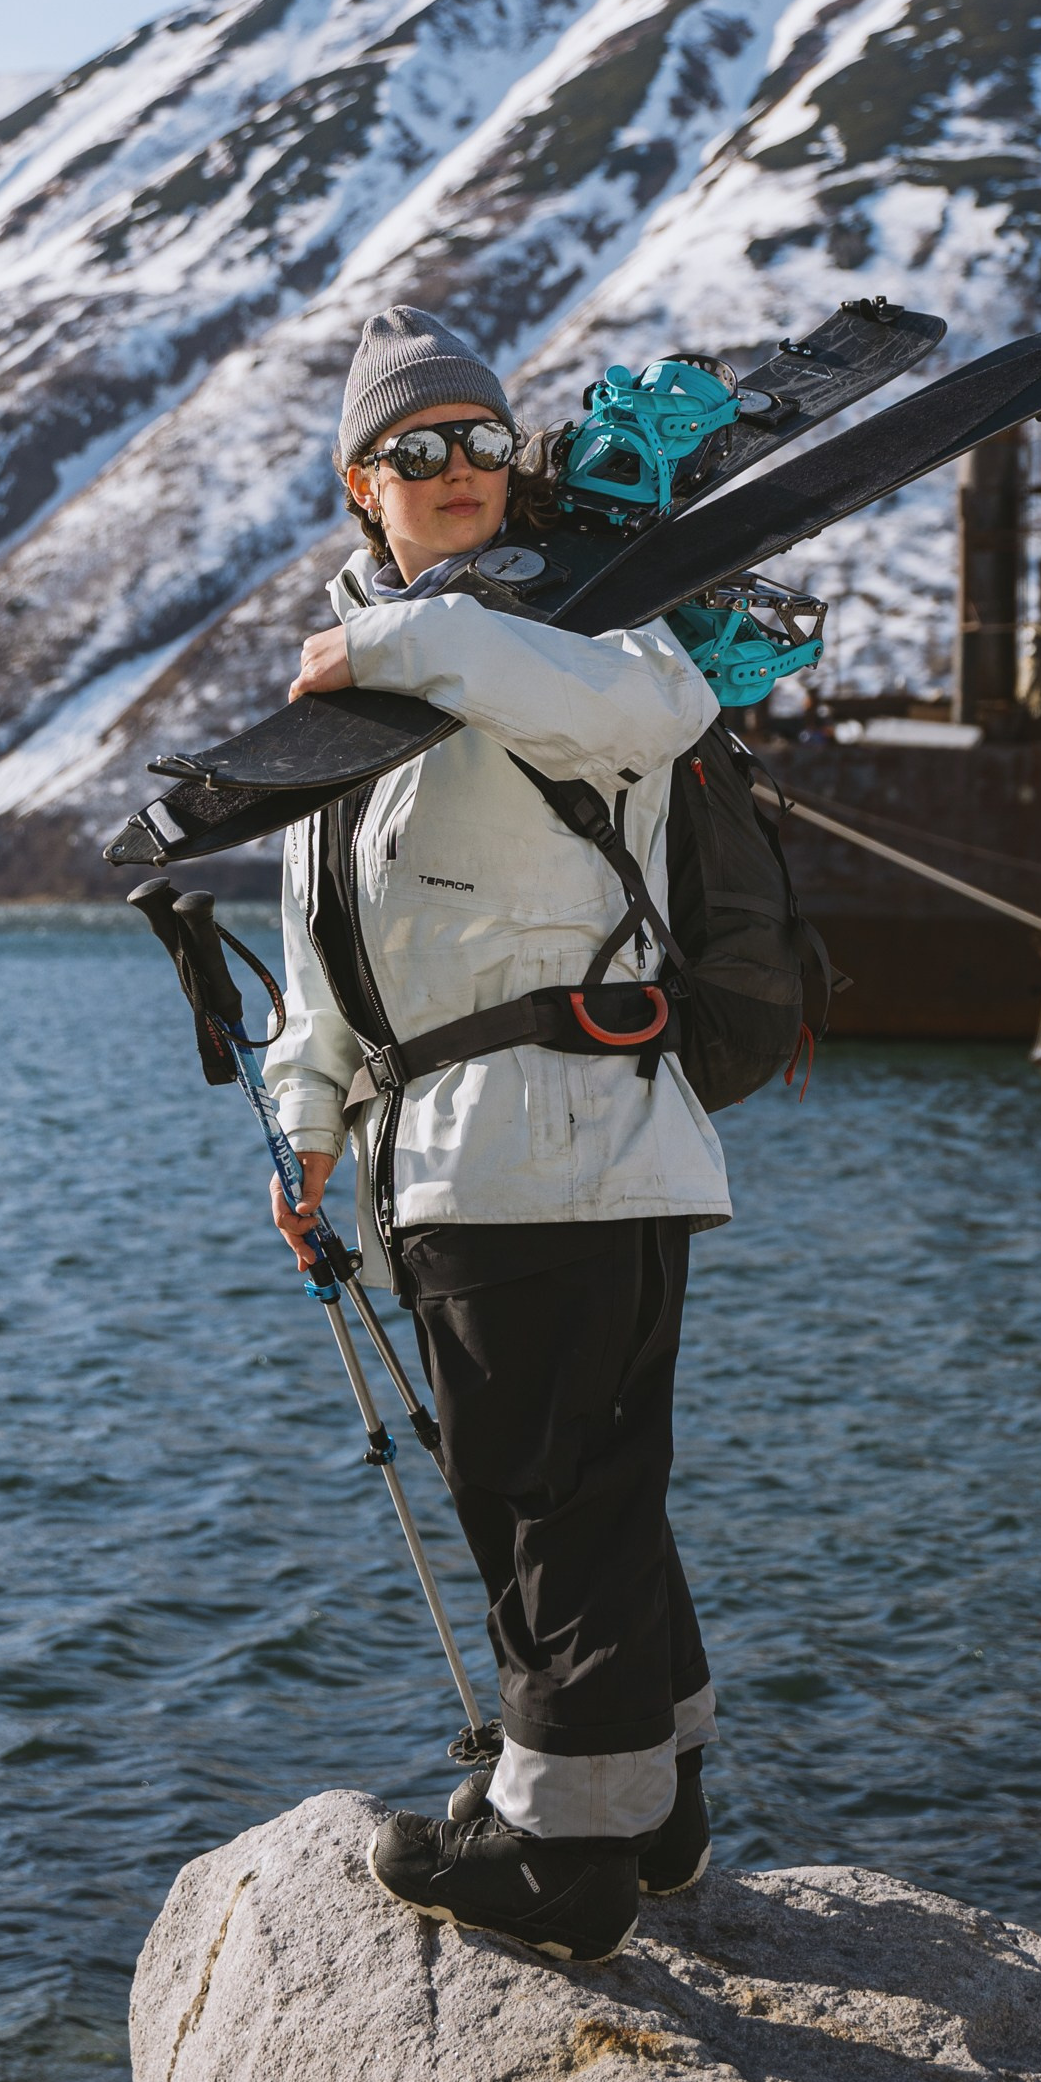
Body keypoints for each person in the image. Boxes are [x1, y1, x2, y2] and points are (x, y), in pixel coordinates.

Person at [263, 302, 729, 1964]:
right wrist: (302, 1121)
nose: (458, 470)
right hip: (446, 1159)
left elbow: (647, 722)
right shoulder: (344, 709)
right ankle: (650, 1798)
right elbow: (324, 957)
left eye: (481, 440)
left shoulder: (597, 629)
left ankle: (562, 1854)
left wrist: (403, 649)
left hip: (573, 1129)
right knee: (571, 1489)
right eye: (418, 447)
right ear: (360, 483)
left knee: (553, 1499)